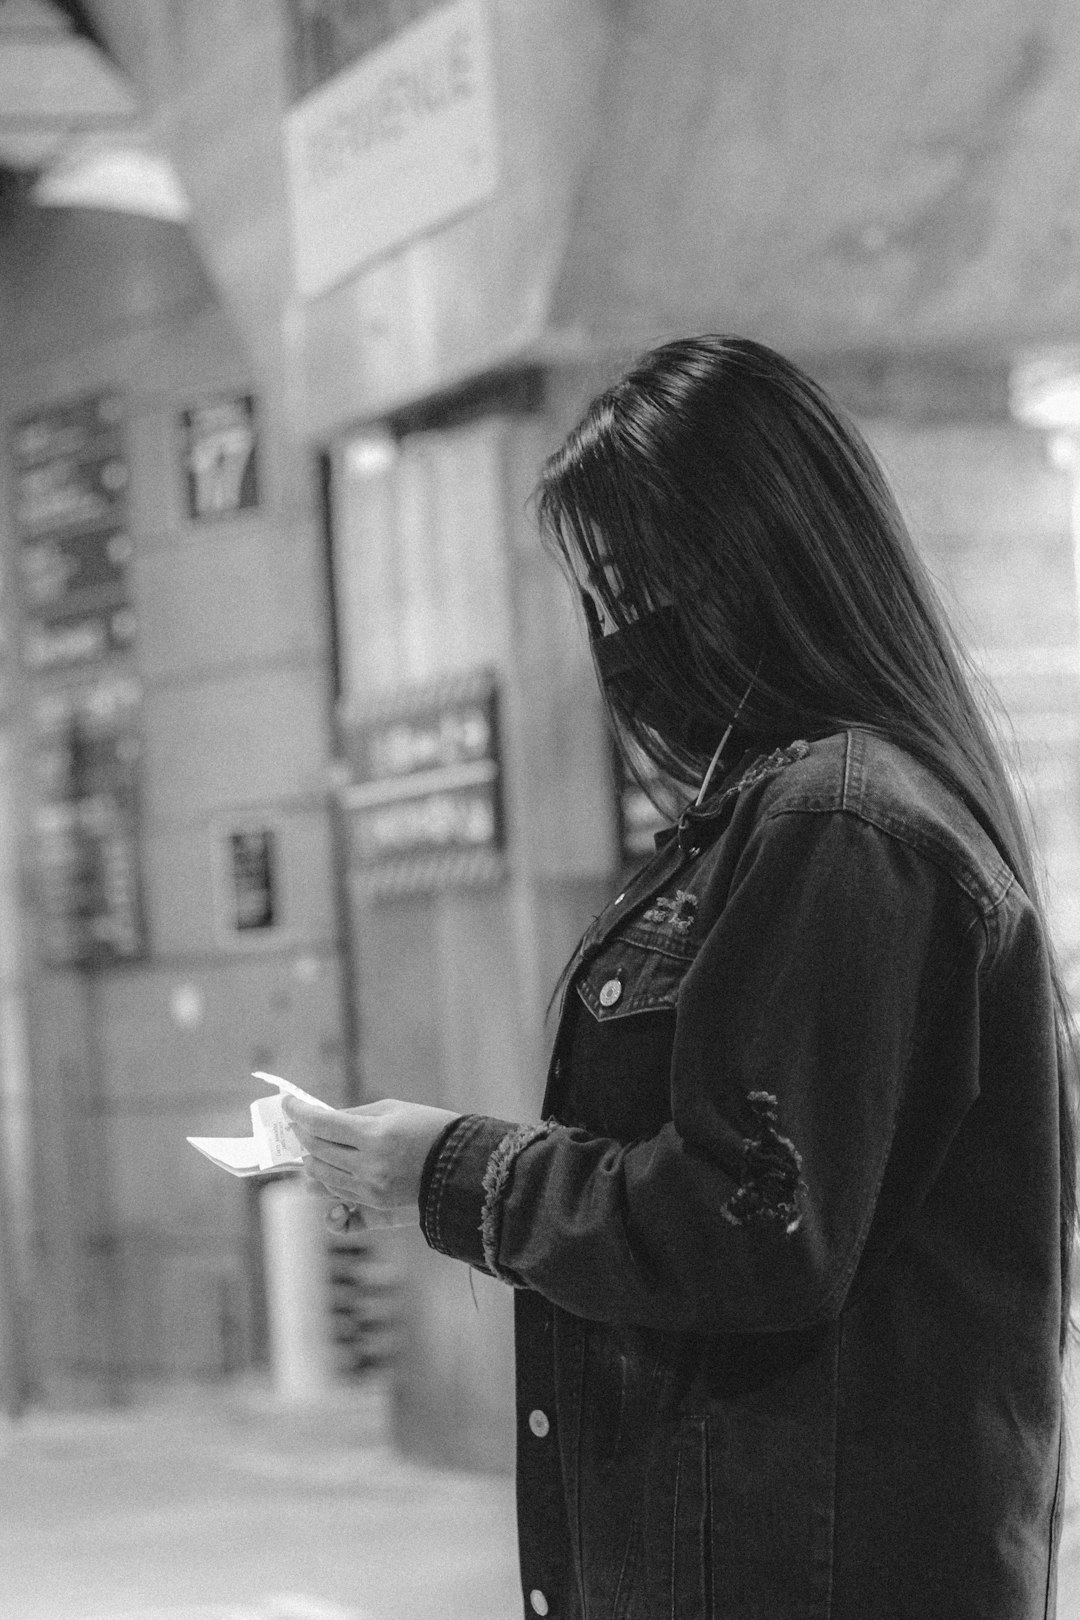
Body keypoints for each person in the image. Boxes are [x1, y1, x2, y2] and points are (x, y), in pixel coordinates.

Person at [285, 335, 1076, 1620]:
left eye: (639, 576)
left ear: (752, 558)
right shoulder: (800, 813)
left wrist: (452, 1169)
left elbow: (749, 1224)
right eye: (601, 589)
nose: (619, 632)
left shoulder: (841, 826)